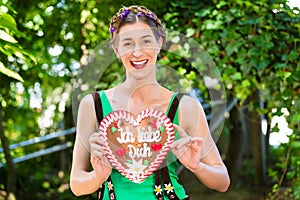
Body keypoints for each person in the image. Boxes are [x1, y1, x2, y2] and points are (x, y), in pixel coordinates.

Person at [70, 5, 230, 200]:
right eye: (128, 43)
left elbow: (222, 182)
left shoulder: (185, 107)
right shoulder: (93, 105)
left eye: (146, 41)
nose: (137, 52)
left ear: (159, 42)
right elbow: (77, 185)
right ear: (116, 49)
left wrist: (196, 166)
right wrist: (98, 176)